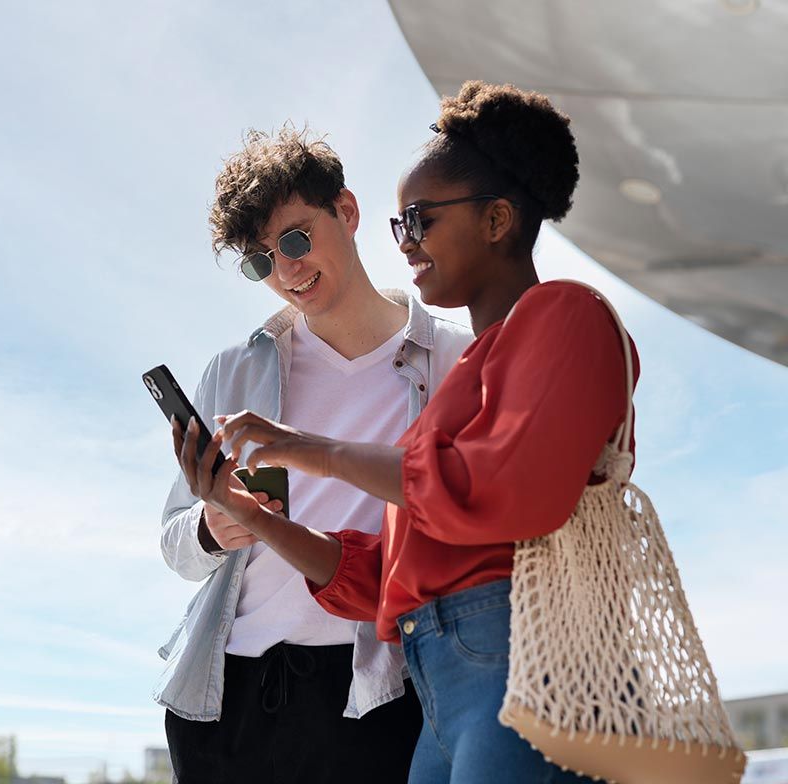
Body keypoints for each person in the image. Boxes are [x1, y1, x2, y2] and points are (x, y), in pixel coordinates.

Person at [187, 82, 641, 783]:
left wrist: (313, 450)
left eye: (420, 219)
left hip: (517, 669)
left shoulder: (565, 316)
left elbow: (505, 492)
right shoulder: (457, 384)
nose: (406, 244)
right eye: (401, 224)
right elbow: (383, 574)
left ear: (496, 220)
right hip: (439, 693)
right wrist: (260, 521)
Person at [156, 126, 473, 784]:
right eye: (261, 260)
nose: (286, 270)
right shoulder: (233, 370)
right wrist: (213, 529)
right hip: (224, 697)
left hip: (376, 690)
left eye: (297, 238)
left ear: (348, 212)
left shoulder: (454, 356)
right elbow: (175, 544)